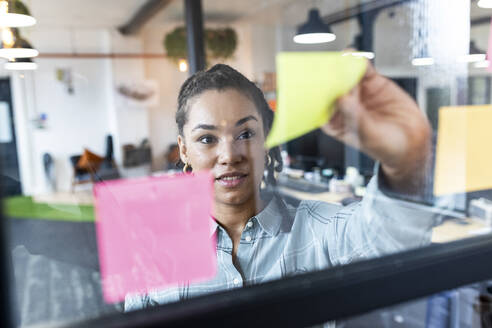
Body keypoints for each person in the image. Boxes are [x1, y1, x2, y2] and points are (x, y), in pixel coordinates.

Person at [125, 63, 435, 310]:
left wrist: (405, 160)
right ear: (183, 150)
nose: (230, 155)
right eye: (207, 139)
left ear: (266, 142)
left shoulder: (319, 232)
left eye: (246, 134)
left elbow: (391, 240)